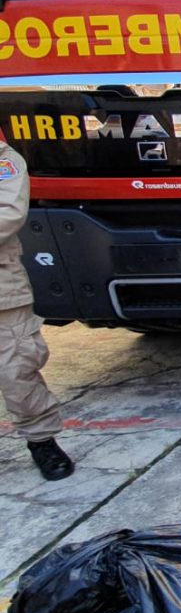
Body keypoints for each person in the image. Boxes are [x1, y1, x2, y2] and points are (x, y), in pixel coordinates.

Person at [0, 137, 73, 480]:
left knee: (16, 368)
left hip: (3, 288)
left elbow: (9, 213)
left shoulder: (4, 159)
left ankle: (41, 439)